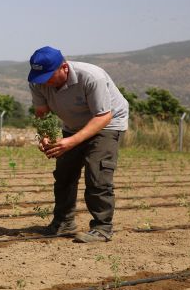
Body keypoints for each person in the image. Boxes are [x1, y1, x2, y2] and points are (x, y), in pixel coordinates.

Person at [27, 46, 128, 243]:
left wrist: (71, 142)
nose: (44, 82)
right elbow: (42, 112)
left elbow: (103, 116)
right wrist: (44, 136)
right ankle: (64, 222)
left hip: (107, 123)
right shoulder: (37, 82)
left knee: (97, 173)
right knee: (64, 174)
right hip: (73, 125)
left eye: (49, 76)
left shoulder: (91, 77)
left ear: (64, 67)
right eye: (40, 77)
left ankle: (102, 227)